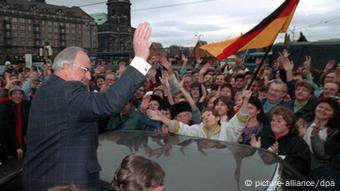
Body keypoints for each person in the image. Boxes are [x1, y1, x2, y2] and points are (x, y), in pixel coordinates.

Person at [22, 22, 152, 191]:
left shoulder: (50, 89)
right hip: (63, 181)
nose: (89, 76)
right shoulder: (64, 91)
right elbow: (108, 103)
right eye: (84, 70)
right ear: (66, 67)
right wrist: (140, 59)